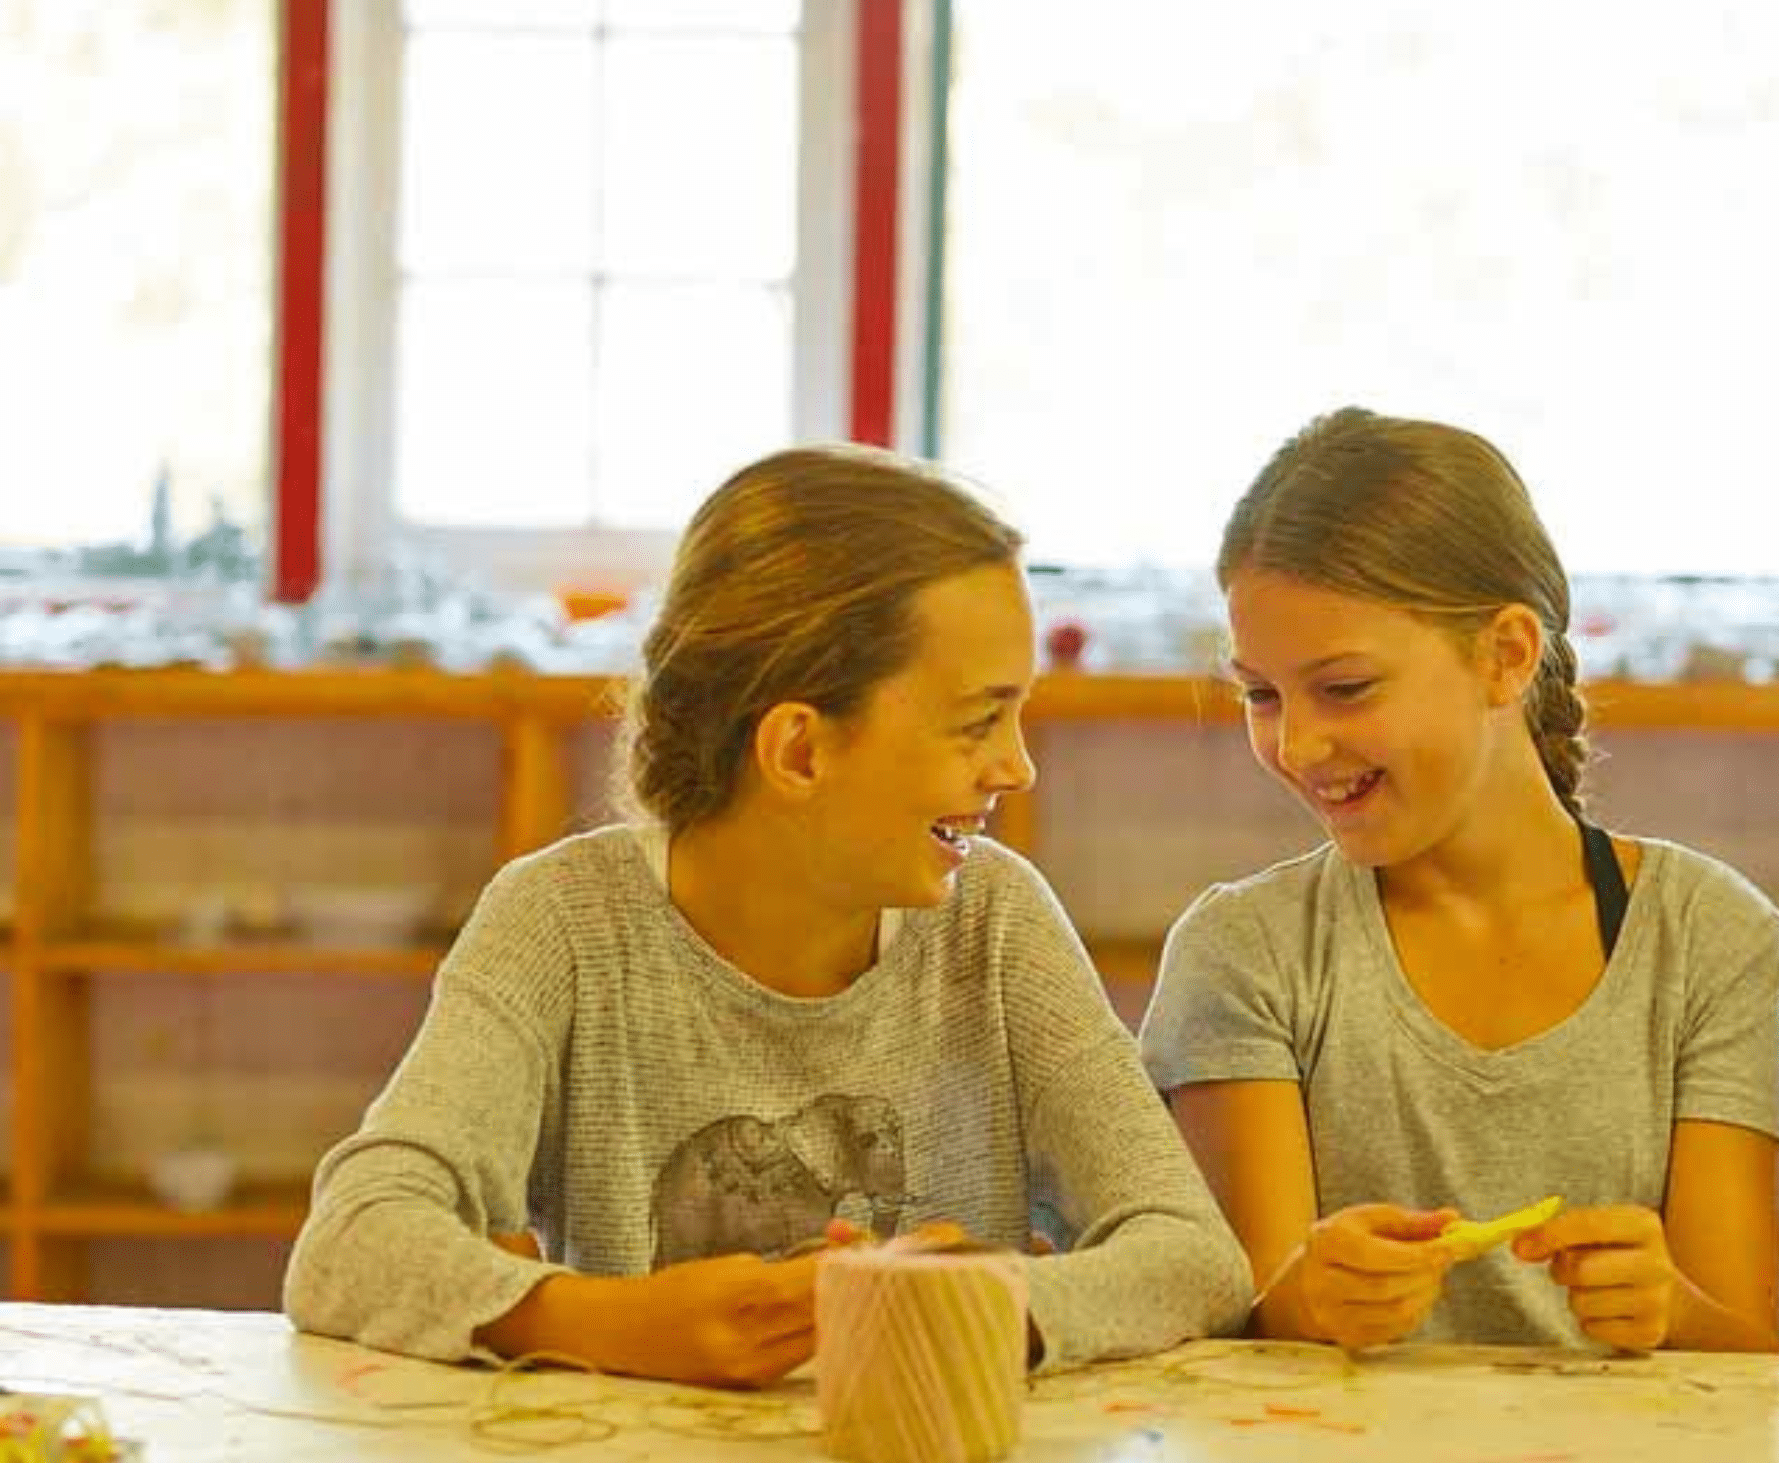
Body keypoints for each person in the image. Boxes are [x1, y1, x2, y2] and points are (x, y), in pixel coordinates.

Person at [286, 445, 1251, 1384]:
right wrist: (606, 1323)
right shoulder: (561, 924)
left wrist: (995, 1306)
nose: (1016, 766)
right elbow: (350, 1245)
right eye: (976, 722)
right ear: (798, 751)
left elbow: (1192, 1258)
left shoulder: (995, 922)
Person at [1140, 407, 1779, 1353]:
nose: (1296, 745)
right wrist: (1305, 1299)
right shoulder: (1245, 951)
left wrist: (1670, 1309)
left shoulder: (1710, 937)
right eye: (1262, 693)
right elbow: (1235, 1330)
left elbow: (1744, 1357)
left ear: (1506, 655)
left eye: (1346, 688)